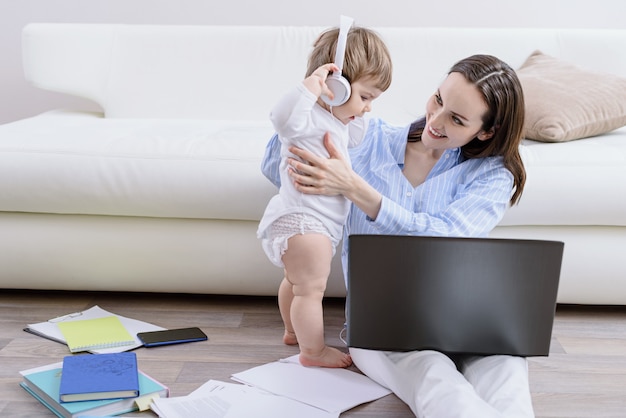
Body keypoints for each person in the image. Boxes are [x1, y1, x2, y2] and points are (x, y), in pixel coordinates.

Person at [262, 54, 534, 417]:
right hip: (385, 323)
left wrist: (356, 188)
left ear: (486, 131)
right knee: (435, 382)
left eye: (456, 119)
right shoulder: (366, 138)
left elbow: (444, 237)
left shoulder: (493, 175)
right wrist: (318, 100)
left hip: (468, 314)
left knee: (507, 381)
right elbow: (273, 165)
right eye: (438, 100)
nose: (435, 121)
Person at [257, 25, 393, 368]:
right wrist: (309, 86)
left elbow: (359, 137)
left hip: (311, 222)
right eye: (366, 97)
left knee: (295, 283)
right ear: (335, 86)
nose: (367, 108)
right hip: (307, 221)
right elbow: (280, 118)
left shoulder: (333, 120)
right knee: (310, 291)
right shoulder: (304, 118)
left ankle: (292, 331)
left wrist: (355, 110)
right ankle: (312, 351)